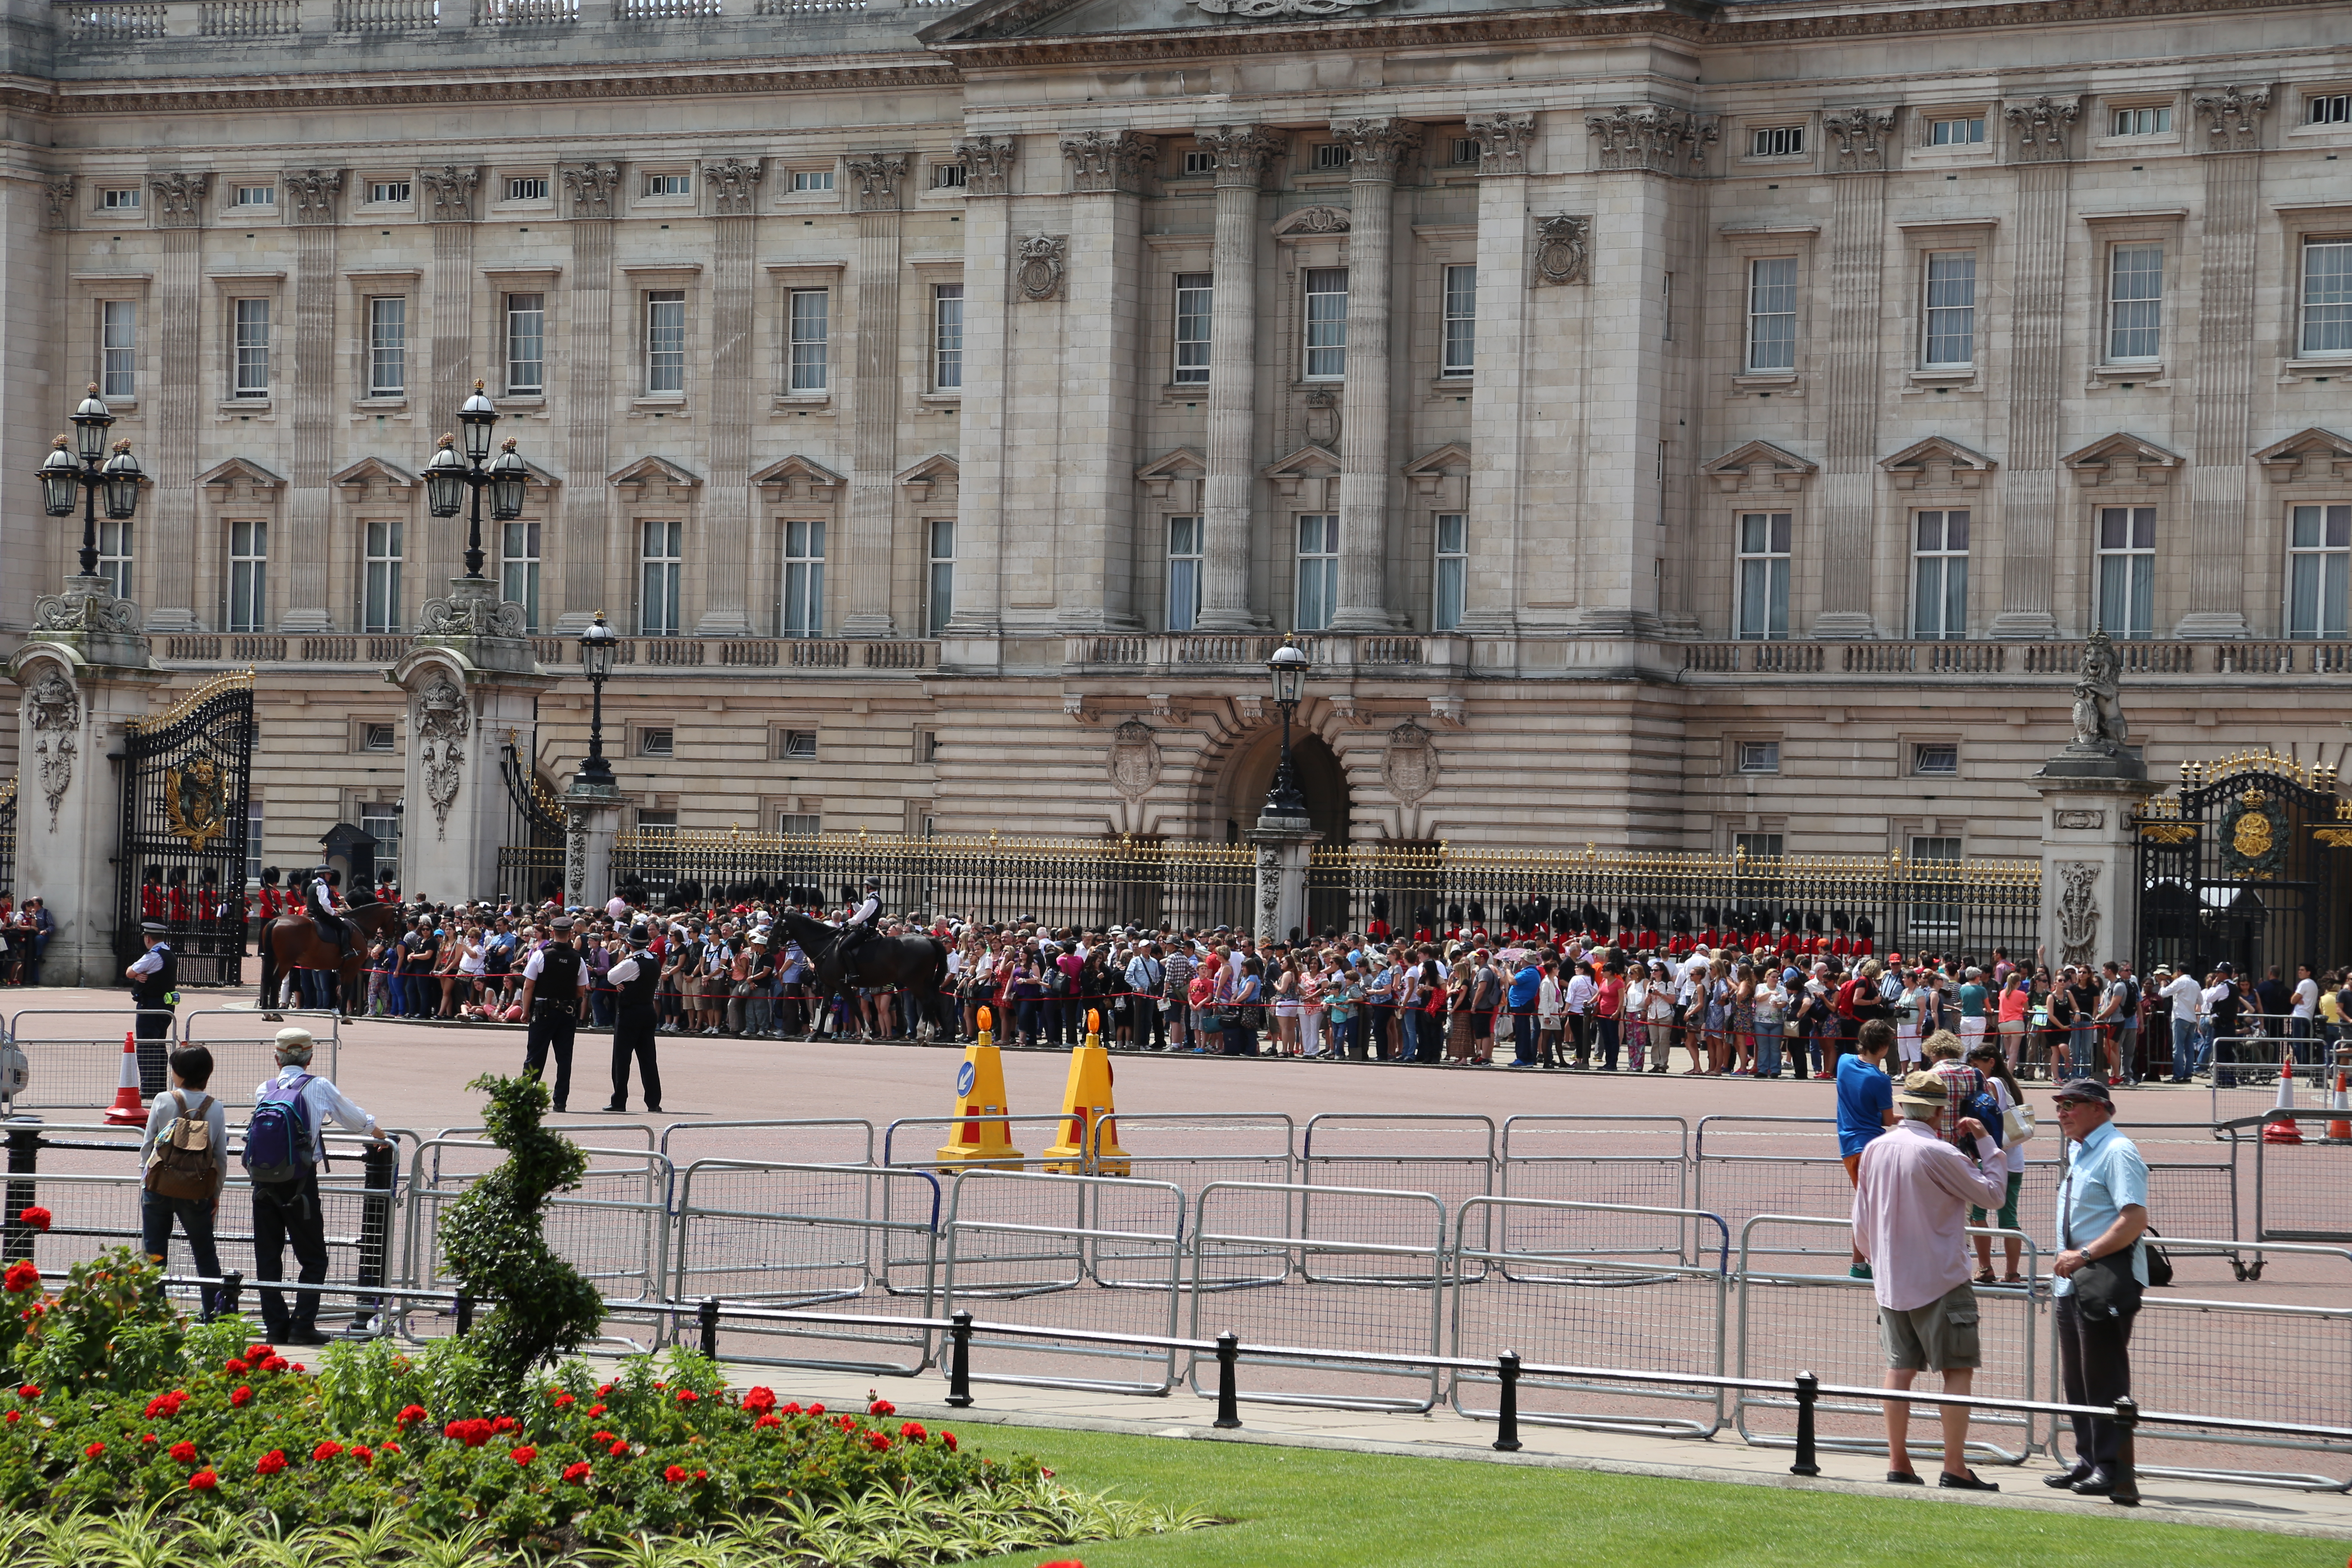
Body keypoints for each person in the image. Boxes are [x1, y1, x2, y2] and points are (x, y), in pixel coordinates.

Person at [1849, 1069, 2010, 1491]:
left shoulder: (1875, 1148)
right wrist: (1989, 1144)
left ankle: (1898, 1460)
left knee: (1899, 1369)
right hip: (1939, 1276)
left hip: (1892, 1277)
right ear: (1940, 1111)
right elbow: (1993, 1195)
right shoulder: (1941, 1152)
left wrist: (1873, 1258)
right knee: (1957, 1369)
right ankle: (1954, 1464)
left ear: (1904, 1107)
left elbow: (1861, 1217)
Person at [249, 1026, 386, 1346]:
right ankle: (303, 1323)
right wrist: (382, 1135)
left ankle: (275, 1325)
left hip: (264, 1180)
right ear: (310, 1057)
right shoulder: (319, 1086)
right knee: (313, 1257)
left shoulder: (264, 1089)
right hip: (300, 1182)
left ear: (277, 1057)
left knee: (268, 1255)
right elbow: (355, 1120)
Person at [2047, 1077, 2150, 1501]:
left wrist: (2084, 1255)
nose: (2062, 1112)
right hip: (2072, 1280)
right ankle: (2089, 1460)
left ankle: (2112, 1466)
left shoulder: (2118, 1150)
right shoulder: (2080, 1149)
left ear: (2100, 1108)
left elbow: (2133, 1219)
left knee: (2105, 1377)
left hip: (2102, 1278)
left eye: (2071, 1104)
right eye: (2060, 1105)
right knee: (2078, 1379)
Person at [141, 1043, 228, 1320]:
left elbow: (148, 1146)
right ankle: (213, 1314)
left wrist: (146, 1179)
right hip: (197, 1188)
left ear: (177, 1073)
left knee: (154, 1252)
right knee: (205, 1252)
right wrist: (215, 1192)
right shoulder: (215, 1108)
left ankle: (156, 1315)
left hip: (159, 1186)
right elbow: (220, 1156)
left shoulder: (163, 1100)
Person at [1836, 1018, 1898, 1278]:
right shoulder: (1881, 1079)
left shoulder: (1844, 1062)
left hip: (1849, 1145)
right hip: (1870, 1147)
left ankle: (1861, 1262)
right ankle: (1865, 1262)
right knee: (1874, 1208)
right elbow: (1887, 1119)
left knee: (1867, 1206)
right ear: (1883, 1048)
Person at [1964, 1040, 2028, 1285]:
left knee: (1978, 1213)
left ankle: (1985, 1267)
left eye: (1977, 1065)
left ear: (1991, 1063)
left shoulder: (1990, 1084)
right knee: (2008, 1217)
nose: (1974, 1070)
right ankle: (2012, 1272)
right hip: (2013, 1160)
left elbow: (1983, 1115)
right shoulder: (2008, 1084)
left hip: (1991, 1157)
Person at [519, 913, 584, 1112]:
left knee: (536, 1056)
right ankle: (561, 1101)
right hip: (567, 1013)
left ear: (553, 932)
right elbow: (581, 991)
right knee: (564, 1059)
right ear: (570, 933)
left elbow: (528, 987)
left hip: (543, 1011)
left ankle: (527, 1098)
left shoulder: (541, 954)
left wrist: (525, 1011)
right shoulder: (577, 959)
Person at [604, 921, 664, 1115]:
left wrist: (622, 980)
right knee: (648, 1059)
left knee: (622, 1059)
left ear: (630, 944)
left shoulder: (631, 962)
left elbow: (612, 976)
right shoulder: (654, 960)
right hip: (648, 1010)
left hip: (630, 1013)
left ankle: (619, 1101)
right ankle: (653, 1102)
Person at [123, 919, 178, 1097]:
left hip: (151, 1005)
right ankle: (158, 1085)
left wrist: (136, 974)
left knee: (147, 1045)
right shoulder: (169, 953)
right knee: (159, 1045)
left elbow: (130, 972)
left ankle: (148, 1087)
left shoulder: (153, 956)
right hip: (166, 1005)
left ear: (148, 938)